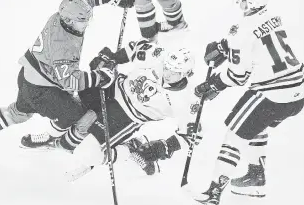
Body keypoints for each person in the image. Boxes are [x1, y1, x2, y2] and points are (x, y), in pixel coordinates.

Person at [0, 0, 135, 150]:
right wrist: (100, 77)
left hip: (28, 76)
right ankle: (49, 139)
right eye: (83, 20)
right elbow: (71, 81)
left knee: (17, 113)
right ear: (70, 21)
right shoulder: (63, 45)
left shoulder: (62, 16)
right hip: (42, 90)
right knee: (73, 114)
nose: (86, 23)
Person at [191, 0, 304, 205]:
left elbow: (238, 76)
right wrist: (225, 48)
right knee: (257, 124)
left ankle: (213, 194)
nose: (240, 4)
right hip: (298, 92)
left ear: (250, 2)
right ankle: (255, 178)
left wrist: (214, 84)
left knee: (234, 134)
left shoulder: (240, 31)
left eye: (242, 0)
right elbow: (256, 40)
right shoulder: (273, 16)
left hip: (274, 93)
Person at [24, 38, 201, 177]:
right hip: (113, 87)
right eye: (167, 67)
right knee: (72, 103)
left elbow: (193, 135)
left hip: (127, 116)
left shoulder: (186, 100)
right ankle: (51, 136)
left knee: (86, 154)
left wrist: (165, 146)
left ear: (186, 74)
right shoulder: (158, 55)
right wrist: (111, 59)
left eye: (175, 72)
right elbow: (135, 48)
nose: (168, 73)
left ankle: (131, 148)